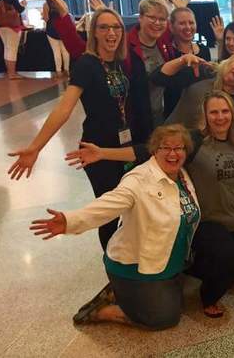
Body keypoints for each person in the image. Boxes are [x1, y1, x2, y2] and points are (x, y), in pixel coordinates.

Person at [64, 93, 234, 318]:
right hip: (205, 223)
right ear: (205, 117)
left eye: (225, 111)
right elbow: (141, 155)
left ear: (233, 114)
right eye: (214, 112)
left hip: (232, 218)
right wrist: (102, 154)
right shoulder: (194, 142)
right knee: (166, 316)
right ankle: (201, 295)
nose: (220, 117)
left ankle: (174, 275)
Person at [30, 125, 205, 329]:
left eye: (179, 148)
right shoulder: (138, 180)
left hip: (168, 260)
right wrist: (70, 220)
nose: (173, 154)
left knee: (178, 304)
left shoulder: (182, 175)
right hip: (136, 264)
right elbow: (106, 205)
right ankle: (105, 309)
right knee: (165, 319)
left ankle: (122, 293)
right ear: (154, 150)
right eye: (166, 148)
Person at [8, 8, 150, 249]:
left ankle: (127, 259)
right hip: (96, 148)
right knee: (108, 212)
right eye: (104, 27)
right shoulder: (87, 64)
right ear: (93, 32)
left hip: (125, 146)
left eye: (116, 27)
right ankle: (112, 268)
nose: (111, 32)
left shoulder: (119, 63)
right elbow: (64, 109)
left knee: (130, 204)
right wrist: (35, 147)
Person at [166, 50, 234, 129]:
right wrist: (181, 61)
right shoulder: (204, 71)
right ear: (231, 59)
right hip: (171, 137)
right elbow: (158, 78)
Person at [128, 0, 177, 131]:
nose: (157, 23)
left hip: (161, 114)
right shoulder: (126, 45)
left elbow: (181, 26)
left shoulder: (163, 42)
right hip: (137, 119)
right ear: (141, 17)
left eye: (162, 19)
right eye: (152, 18)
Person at [163, 7, 212, 118]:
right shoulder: (166, 52)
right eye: (182, 23)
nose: (188, 27)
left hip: (201, 115)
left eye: (191, 22)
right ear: (171, 27)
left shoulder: (204, 50)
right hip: (174, 116)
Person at [0, 0, 26, 79]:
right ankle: (12, 73)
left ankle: (9, 72)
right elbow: (20, 9)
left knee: (7, 48)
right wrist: (24, 4)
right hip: (11, 26)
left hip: (0, 25)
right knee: (12, 49)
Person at [42, 0, 70, 77]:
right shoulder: (62, 3)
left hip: (51, 30)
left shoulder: (46, 5)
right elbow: (67, 14)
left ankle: (58, 72)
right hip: (63, 29)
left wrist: (43, 16)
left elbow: (46, 19)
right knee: (65, 51)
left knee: (56, 52)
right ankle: (67, 70)